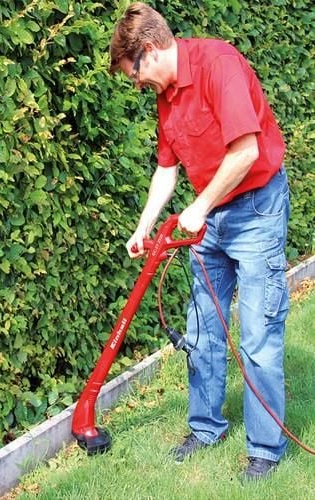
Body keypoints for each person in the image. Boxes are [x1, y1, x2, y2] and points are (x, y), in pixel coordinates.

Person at [109, 2, 290, 481]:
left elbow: (246, 150)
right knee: (203, 330)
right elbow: (166, 170)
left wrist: (201, 205)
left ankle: (265, 450)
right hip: (209, 220)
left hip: (256, 210)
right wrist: (143, 227)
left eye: (134, 73)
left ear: (150, 50)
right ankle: (206, 428)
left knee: (258, 333)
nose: (136, 84)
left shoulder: (217, 64)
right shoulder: (167, 97)